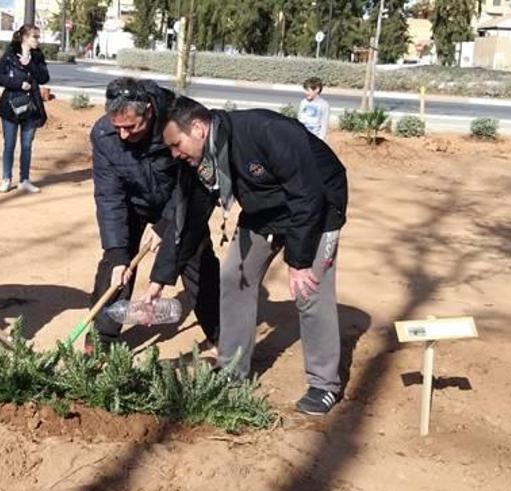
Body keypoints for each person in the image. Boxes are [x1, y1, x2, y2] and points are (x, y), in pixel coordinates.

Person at [150, 95, 348, 415]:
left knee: (309, 290)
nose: (174, 153)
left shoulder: (266, 132)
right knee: (233, 277)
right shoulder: (203, 159)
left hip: (319, 206)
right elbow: (190, 222)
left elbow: (307, 196)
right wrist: (161, 278)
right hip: (265, 210)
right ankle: (232, 371)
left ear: (198, 128)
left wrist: (298, 261)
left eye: (176, 144)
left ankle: (324, 383)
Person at [88, 77, 221, 352]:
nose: (123, 135)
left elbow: (195, 182)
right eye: (118, 127)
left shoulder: (179, 120)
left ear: (148, 110)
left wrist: (166, 223)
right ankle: (101, 338)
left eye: (131, 127)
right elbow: (109, 195)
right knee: (116, 267)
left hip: (179, 200)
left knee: (195, 257)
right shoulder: (104, 135)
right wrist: (116, 252)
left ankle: (221, 334)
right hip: (133, 203)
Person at [0, 24, 50, 194]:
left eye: (38, 37)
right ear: (25, 37)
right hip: (11, 105)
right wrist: (18, 84)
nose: (38, 40)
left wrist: (31, 64)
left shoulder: (37, 56)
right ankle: (6, 179)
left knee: (26, 145)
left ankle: (24, 180)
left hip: (31, 106)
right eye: (35, 37)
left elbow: (44, 77)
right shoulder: (10, 53)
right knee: (9, 144)